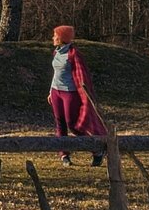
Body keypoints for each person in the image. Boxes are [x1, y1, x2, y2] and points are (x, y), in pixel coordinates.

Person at [46, 24, 107, 166]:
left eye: (55, 35)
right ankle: (63, 154)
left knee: (73, 124)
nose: (53, 38)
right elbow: (56, 74)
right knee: (59, 123)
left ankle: (96, 149)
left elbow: (82, 75)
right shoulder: (56, 52)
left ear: (62, 38)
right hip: (56, 91)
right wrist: (50, 91)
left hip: (69, 92)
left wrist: (85, 94)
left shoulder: (73, 54)